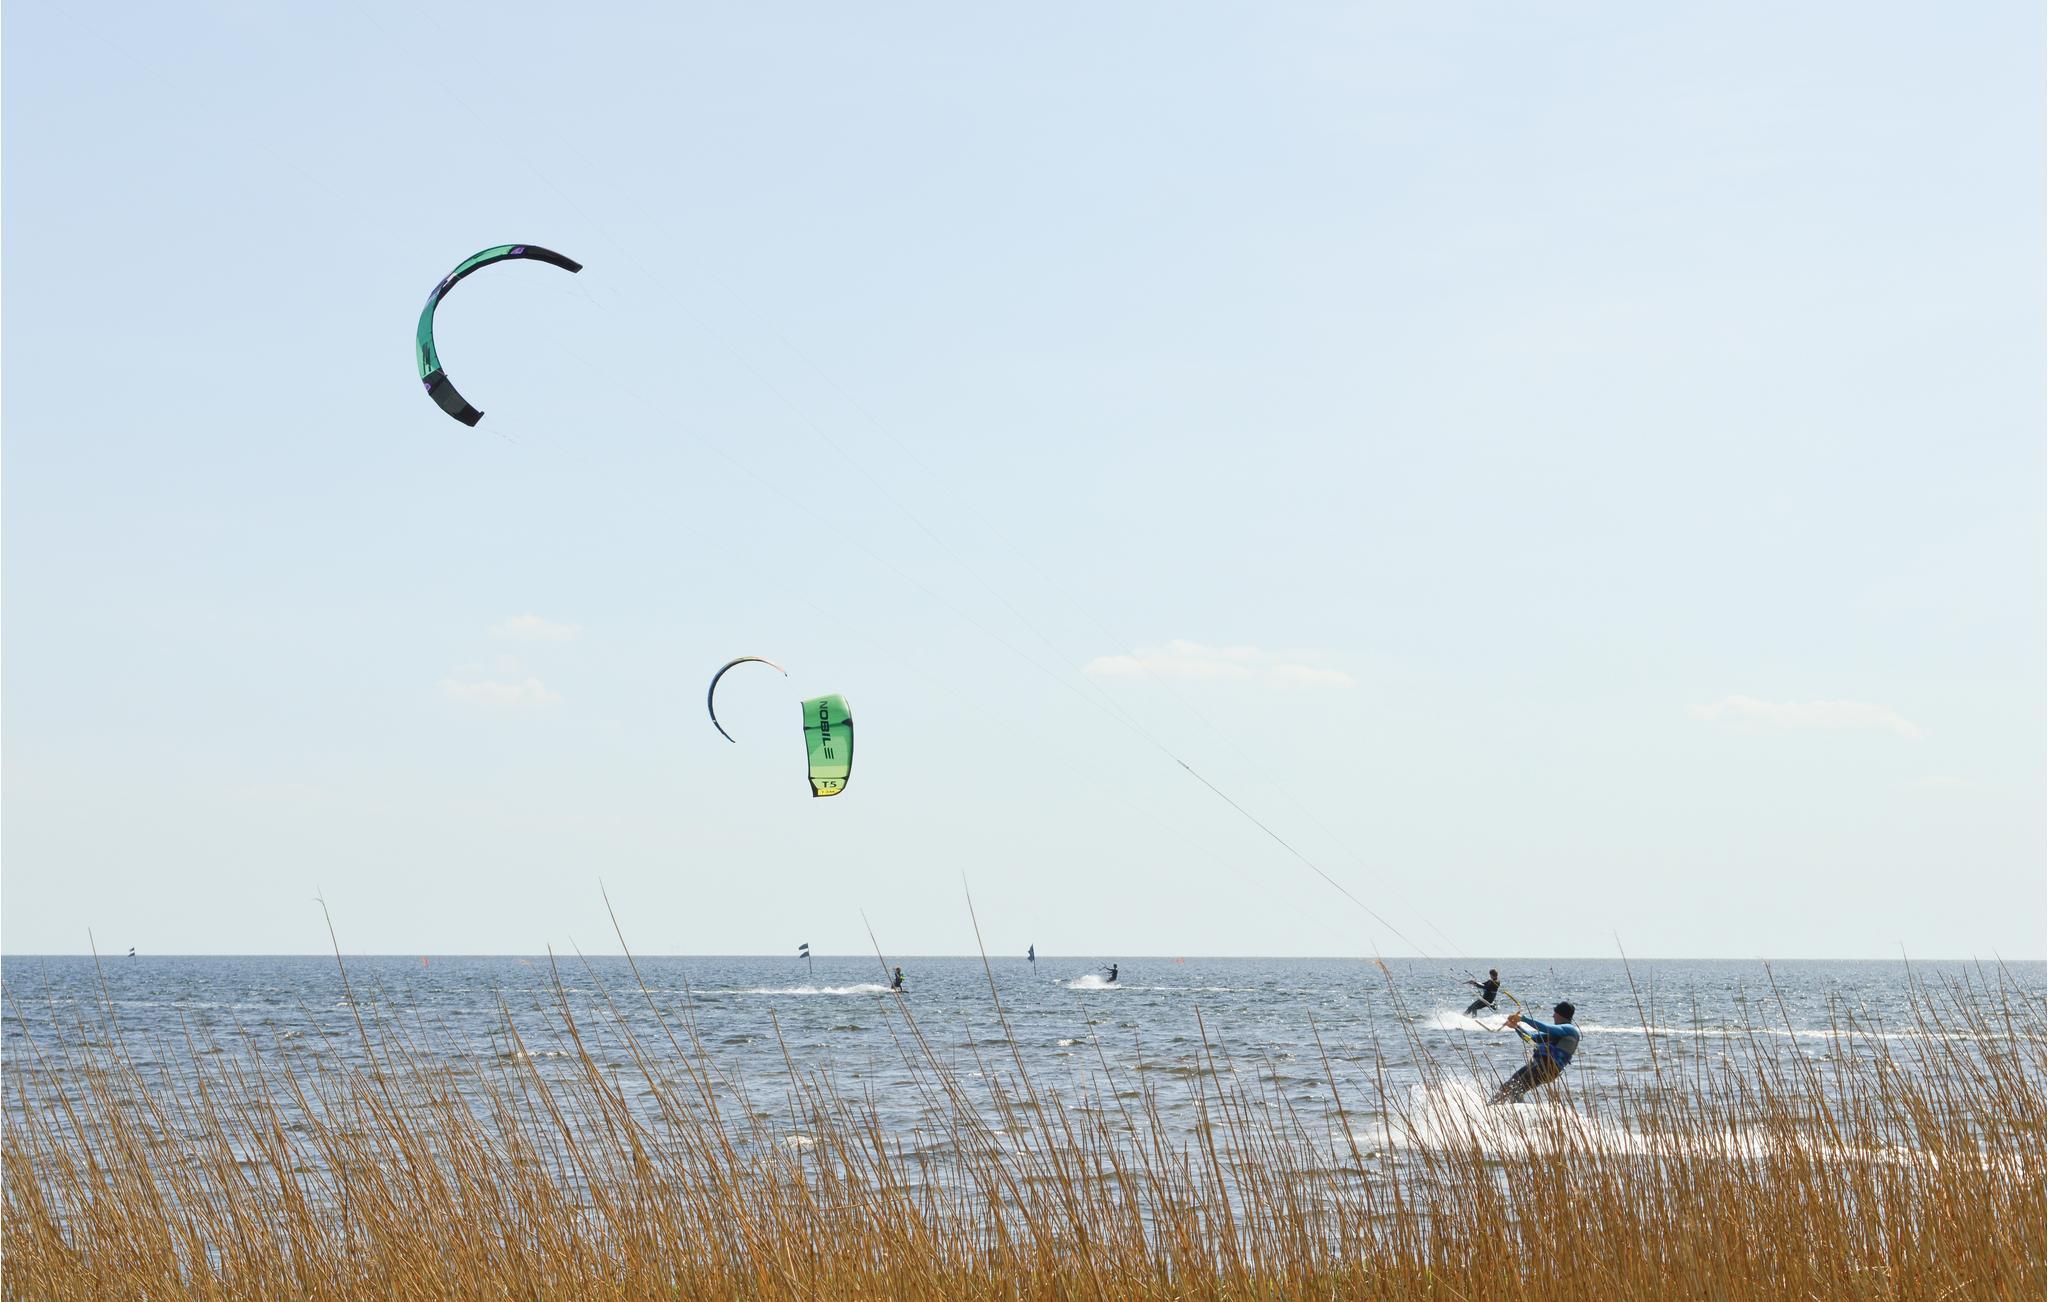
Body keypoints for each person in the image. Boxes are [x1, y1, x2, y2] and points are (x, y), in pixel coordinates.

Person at [1490, 1001, 1578, 1105]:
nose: (1553, 1016)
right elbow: (1532, 1038)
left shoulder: (1569, 1029)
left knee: (1517, 1090)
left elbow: (1545, 1028)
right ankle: (1490, 1106)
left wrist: (1524, 1019)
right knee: (1508, 1085)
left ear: (1559, 1014)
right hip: (1538, 1065)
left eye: (1555, 1013)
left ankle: (1520, 1111)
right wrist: (1516, 1027)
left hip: (1549, 1068)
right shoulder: (1558, 1032)